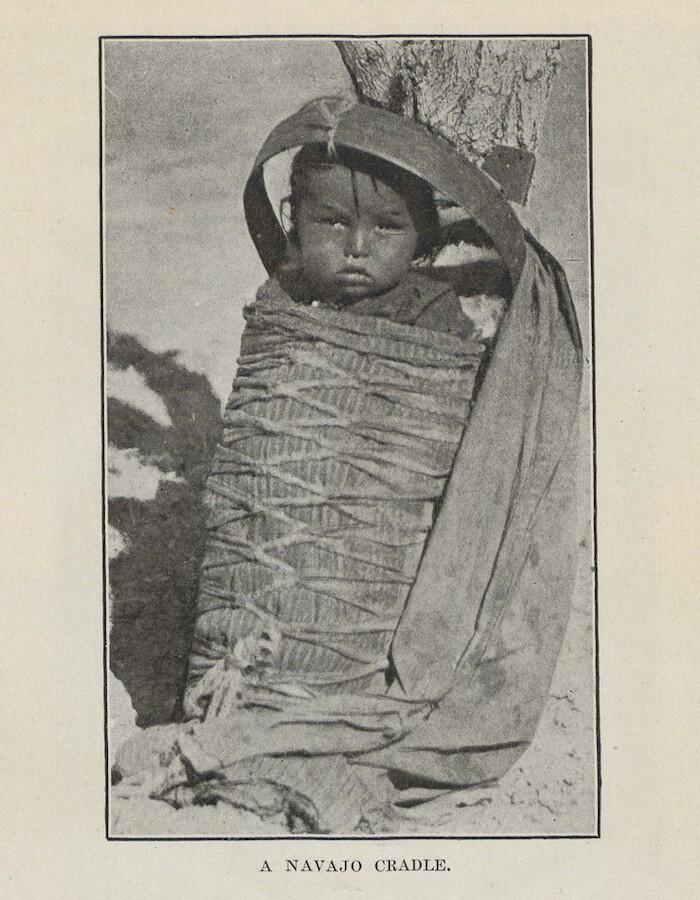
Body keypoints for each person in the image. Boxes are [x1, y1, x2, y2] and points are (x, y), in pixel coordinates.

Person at [113, 97, 583, 835]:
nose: (358, 247)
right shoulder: (285, 302)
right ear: (292, 221)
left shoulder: (436, 316)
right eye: (331, 223)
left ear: (423, 239)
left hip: (364, 598)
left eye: (388, 228)